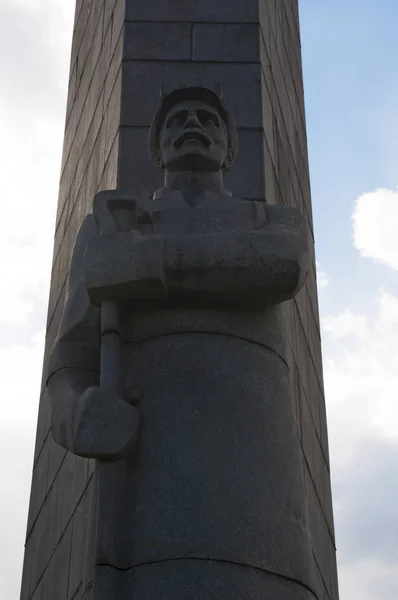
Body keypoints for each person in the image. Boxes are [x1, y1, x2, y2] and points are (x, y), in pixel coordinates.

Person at [48, 79, 316, 599]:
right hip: (145, 467)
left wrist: (144, 263)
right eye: (176, 120)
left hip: (257, 470)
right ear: (156, 148)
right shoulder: (109, 228)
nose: (192, 126)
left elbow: (280, 267)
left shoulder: (275, 221)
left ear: (231, 149)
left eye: (208, 120)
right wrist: (75, 412)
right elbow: (70, 353)